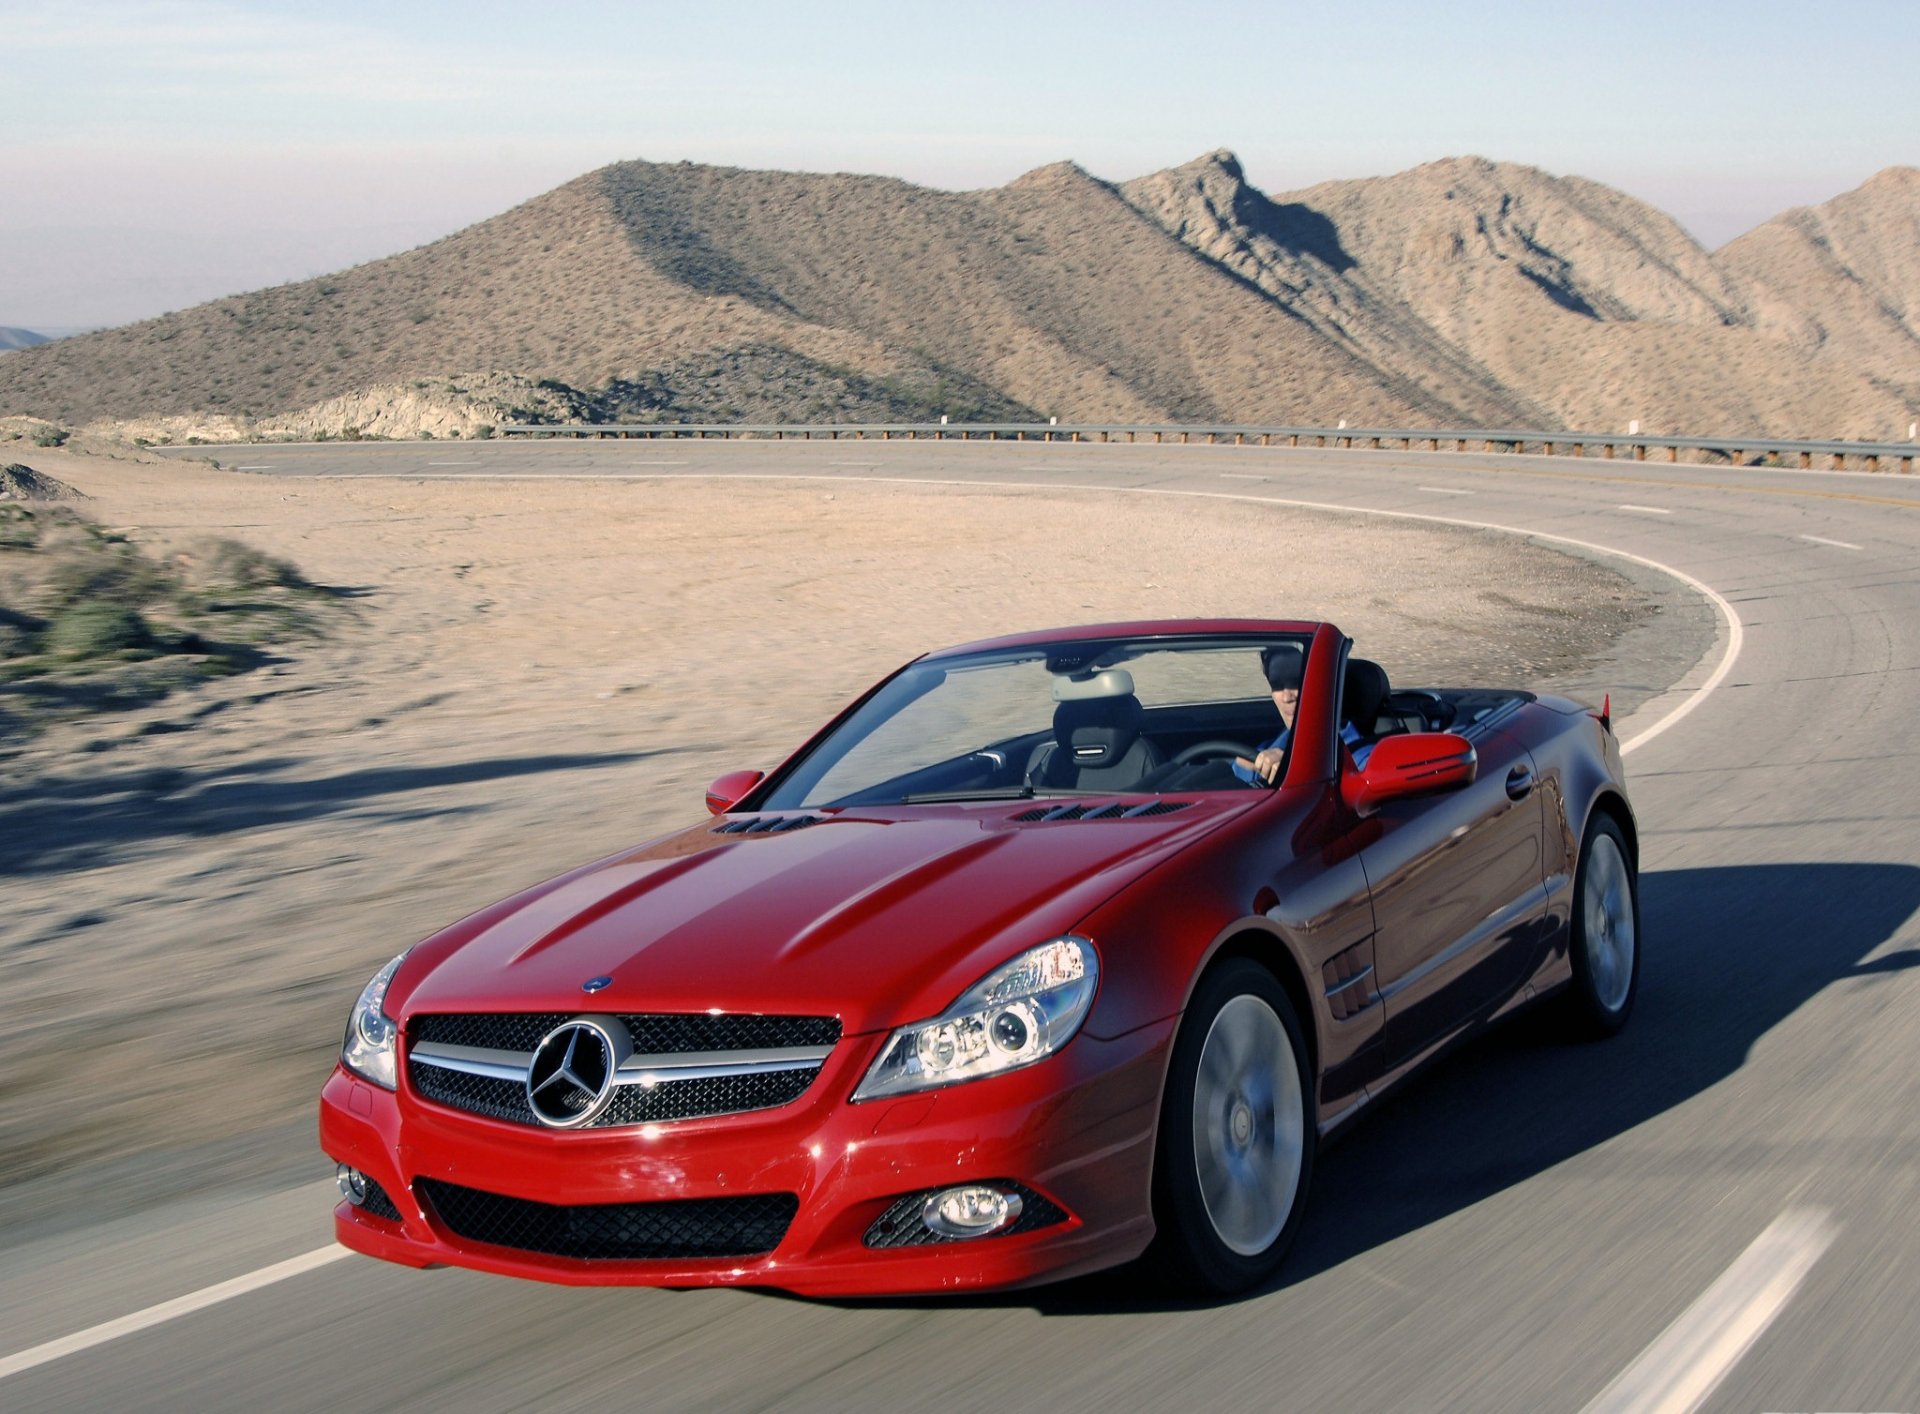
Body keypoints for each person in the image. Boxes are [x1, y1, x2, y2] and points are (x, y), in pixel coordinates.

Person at [1232, 645, 1370, 786]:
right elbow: (1238, 771)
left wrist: (1297, 768)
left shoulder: (1361, 755)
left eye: (1297, 682)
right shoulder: (1276, 743)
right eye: (1276, 685)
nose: (1286, 697)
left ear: (1327, 685)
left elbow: (1359, 784)